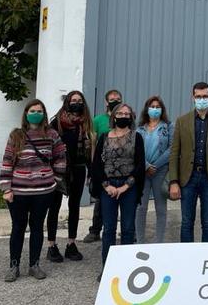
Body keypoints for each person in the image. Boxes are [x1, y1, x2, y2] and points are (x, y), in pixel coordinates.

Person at [0, 99, 66, 282]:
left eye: (39, 110)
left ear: (44, 114)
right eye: (32, 110)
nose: (36, 113)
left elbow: (61, 157)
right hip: (18, 192)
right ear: (26, 113)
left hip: (43, 192)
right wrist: (6, 188)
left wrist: (56, 179)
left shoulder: (51, 134)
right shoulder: (17, 136)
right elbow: (7, 162)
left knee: (37, 228)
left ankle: (34, 265)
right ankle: (14, 266)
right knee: (18, 228)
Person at [168, 82, 208, 242]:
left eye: (205, 96)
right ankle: (187, 259)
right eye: (198, 97)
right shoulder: (182, 121)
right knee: (187, 222)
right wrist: (174, 181)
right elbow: (174, 153)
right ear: (193, 98)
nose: (201, 99)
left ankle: (206, 259)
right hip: (187, 179)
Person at [90, 103, 145, 271]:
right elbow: (97, 164)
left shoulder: (137, 137)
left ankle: (126, 268)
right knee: (109, 229)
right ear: (113, 116)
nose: (123, 116)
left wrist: (125, 186)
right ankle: (108, 268)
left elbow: (140, 165)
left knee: (128, 229)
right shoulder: (104, 137)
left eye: (127, 113)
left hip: (129, 187)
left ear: (131, 117)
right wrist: (106, 186)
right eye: (120, 113)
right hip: (108, 187)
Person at [47, 90, 95, 263]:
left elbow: (90, 150)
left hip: (79, 169)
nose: (76, 103)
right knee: (54, 207)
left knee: (75, 206)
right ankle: (51, 245)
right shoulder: (56, 123)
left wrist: (91, 172)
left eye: (79, 100)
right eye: (73, 100)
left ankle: (71, 243)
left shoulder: (86, 124)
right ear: (67, 102)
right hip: (59, 170)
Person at [84, 89, 123, 243]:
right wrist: (93, 168)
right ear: (106, 102)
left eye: (118, 99)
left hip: (123, 167)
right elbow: (93, 145)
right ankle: (95, 230)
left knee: (125, 200)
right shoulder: (98, 120)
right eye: (112, 99)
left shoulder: (126, 117)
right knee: (101, 200)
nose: (115, 101)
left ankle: (128, 231)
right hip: (104, 167)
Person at [136, 96, 174, 244]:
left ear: (162, 109)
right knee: (141, 207)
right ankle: (140, 241)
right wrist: (146, 166)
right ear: (147, 109)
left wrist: (155, 166)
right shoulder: (139, 129)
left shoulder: (169, 126)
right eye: (152, 106)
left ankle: (159, 242)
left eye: (158, 107)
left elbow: (171, 149)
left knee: (161, 208)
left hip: (161, 171)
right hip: (143, 171)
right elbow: (136, 150)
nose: (155, 109)